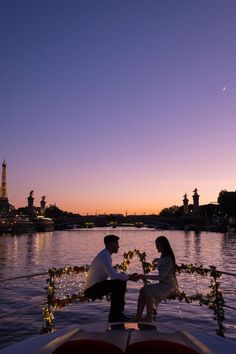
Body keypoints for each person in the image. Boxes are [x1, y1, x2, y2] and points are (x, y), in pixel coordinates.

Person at [84, 234, 139, 322]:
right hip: (91, 289)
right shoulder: (104, 256)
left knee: (120, 281)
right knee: (119, 283)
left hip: (95, 286)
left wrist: (128, 276)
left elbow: (113, 274)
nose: (118, 246)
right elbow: (113, 276)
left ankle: (117, 314)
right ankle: (116, 315)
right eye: (116, 244)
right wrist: (130, 277)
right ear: (110, 244)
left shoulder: (105, 255)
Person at [134, 235, 178, 322]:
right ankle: (139, 316)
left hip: (169, 286)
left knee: (146, 291)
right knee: (143, 290)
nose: (156, 247)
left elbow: (161, 276)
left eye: (158, 245)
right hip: (163, 284)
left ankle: (149, 317)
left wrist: (144, 276)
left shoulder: (168, 259)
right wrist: (157, 260)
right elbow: (163, 263)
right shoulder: (163, 256)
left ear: (163, 246)